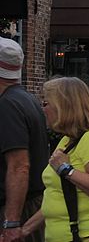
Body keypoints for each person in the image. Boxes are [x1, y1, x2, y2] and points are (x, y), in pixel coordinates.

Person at [19, 77, 89, 241]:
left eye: (46, 104)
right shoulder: (68, 140)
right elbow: (55, 198)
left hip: (88, 236)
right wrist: (23, 230)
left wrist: (67, 170)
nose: (42, 109)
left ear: (64, 106)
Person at [0, 38, 48, 242]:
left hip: (17, 208)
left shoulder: (8, 105)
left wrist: (11, 222)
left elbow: (19, 166)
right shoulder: (25, 98)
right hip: (29, 204)